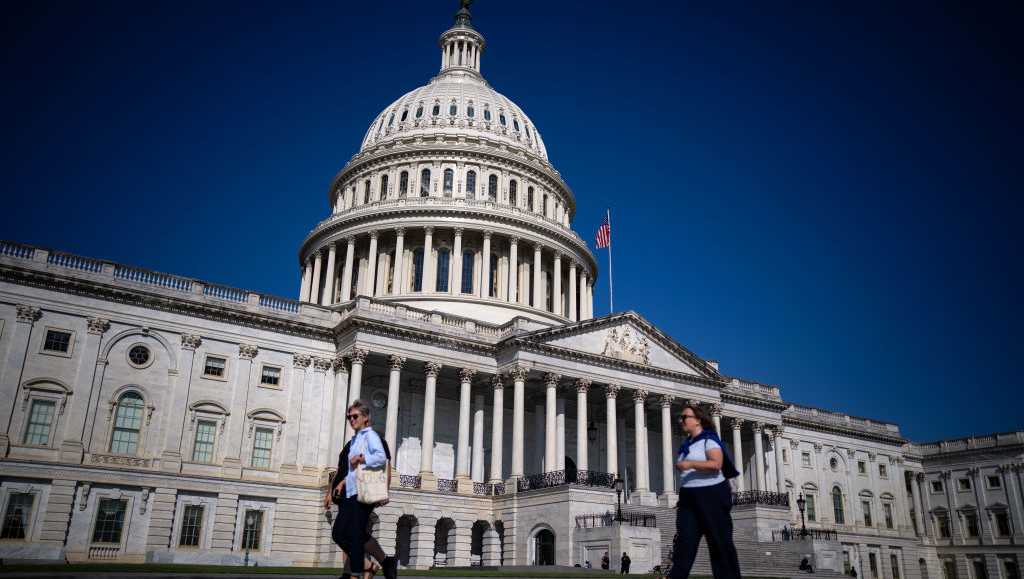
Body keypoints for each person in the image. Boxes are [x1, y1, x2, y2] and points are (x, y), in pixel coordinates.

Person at [668, 402, 742, 579]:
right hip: (688, 500)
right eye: (681, 417)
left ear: (698, 420)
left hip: (711, 496)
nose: (681, 420)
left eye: (685, 417)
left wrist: (690, 464)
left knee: (720, 547)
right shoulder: (686, 446)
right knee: (683, 546)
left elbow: (716, 464)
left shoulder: (710, 440)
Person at [329, 400, 396, 579]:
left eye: (355, 416)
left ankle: (355, 572)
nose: (351, 419)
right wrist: (336, 487)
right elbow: (344, 469)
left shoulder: (375, 439)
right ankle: (376, 564)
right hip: (347, 493)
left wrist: (385, 491)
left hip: (364, 492)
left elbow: (384, 463)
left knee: (352, 533)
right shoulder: (352, 442)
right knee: (347, 534)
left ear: (366, 418)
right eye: (348, 417)